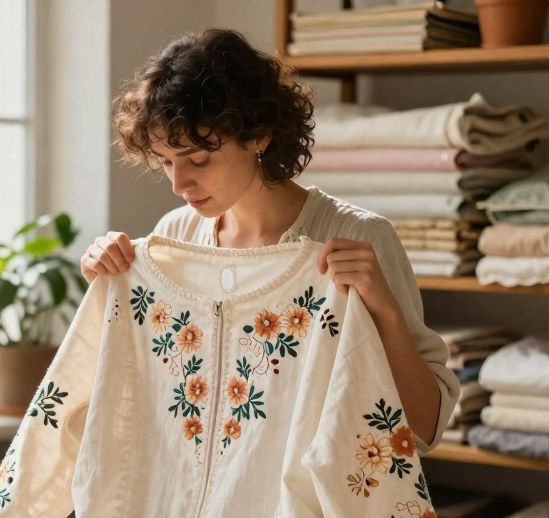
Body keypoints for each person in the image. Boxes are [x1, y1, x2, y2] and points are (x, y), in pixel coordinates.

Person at [82, 28, 459, 454]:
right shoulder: (174, 237)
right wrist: (107, 282)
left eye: (198, 159)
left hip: (306, 509)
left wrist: (385, 311)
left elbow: (425, 429)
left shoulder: (357, 238)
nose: (178, 183)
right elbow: (137, 398)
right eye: (166, 162)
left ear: (258, 134)